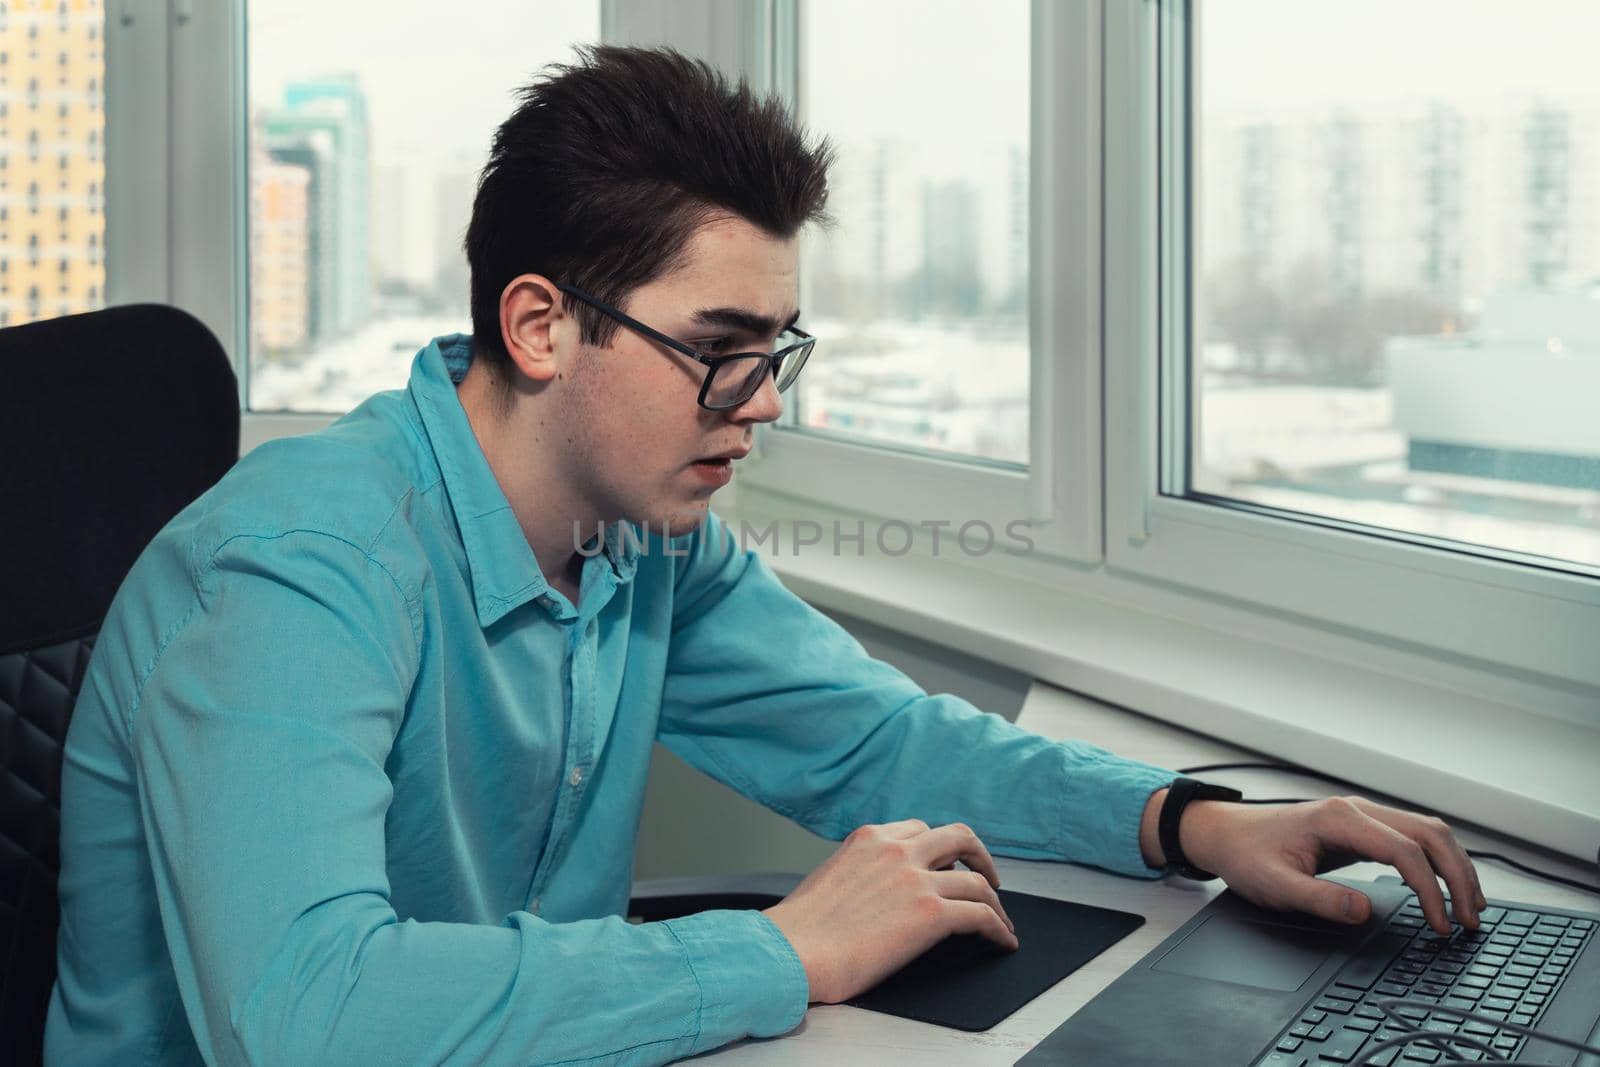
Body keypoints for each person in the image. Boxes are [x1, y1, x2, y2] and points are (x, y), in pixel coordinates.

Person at [47, 45, 1485, 1066]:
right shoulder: (299, 565)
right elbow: (309, 1018)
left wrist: (1191, 821)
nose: (766, 405)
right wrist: (783, 951)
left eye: (776, 352)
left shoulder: (645, 538)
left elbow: (883, 743)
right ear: (543, 327)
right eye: (720, 355)